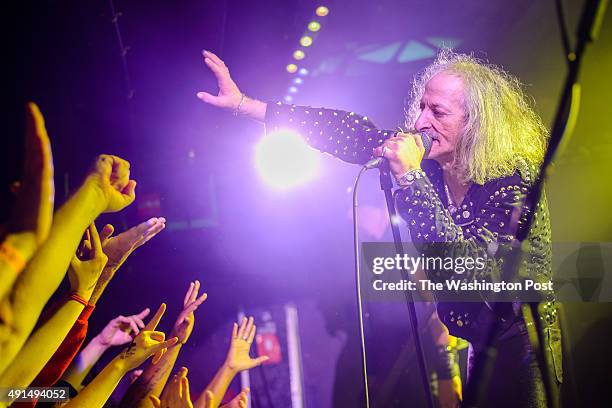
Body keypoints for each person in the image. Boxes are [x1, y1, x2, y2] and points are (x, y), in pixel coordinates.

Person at [197, 48, 562, 407]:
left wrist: (411, 178)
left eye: (438, 112)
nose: (421, 122)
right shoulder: (433, 165)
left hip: (525, 346)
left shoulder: (513, 180)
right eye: (422, 107)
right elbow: (348, 131)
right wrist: (247, 105)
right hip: (479, 341)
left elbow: (466, 268)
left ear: (477, 123)